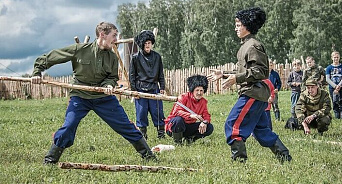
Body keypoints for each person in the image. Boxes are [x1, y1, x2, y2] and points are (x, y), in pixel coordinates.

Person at [31, 22, 156, 164]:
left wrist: (108, 85)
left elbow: (112, 77)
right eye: (114, 35)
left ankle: (149, 156)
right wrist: (37, 72)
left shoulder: (112, 57)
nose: (116, 39)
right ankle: (50, 160)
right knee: (69, 125)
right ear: (102, 34)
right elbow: (51, 57)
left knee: (125, 125)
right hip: (80, 95)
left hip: (103, 98)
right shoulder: (80, 50)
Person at [207, 7, 291, 162]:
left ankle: (239, 161)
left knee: (233, 125)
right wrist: (224, 74)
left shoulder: (252, 45)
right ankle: (285, 157)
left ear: (247, 25)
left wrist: (236, 79)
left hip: (253, 93)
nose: (236, 28)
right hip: (256, 94)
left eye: (239, 25)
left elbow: (261, 71)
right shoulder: (246, 45)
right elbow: (244, 70)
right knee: (262, 131)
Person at [129, 30, 166, 140]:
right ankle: (143, 136)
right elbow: (132, 75)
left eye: (149, 43)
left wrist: (162, 87)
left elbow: (160, 73)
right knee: (141, 113)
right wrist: (134, 90)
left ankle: (161, 134)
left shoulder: (157, 57)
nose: (147, 45)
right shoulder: (135, 58)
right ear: (141, 44)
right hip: (140, 90)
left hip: (154, 88)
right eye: (145, 43)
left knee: (157, 112)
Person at [164, 75, 214, 145]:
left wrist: (205, 122)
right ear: (192, 90)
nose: (199, 93)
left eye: (201, 90)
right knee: (178, 120)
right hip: (173, 126)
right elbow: (177, 112)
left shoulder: (203, 101)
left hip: (188, 126)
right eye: (197, 90)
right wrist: (190, 115)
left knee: (209, 127)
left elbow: (206, 115)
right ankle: (178, 143)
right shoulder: (183, 97)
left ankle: (190, 139)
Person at [325, 51, 342, 119]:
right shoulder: (329, 68)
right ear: (332, 58)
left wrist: (339, 86)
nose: (336, 59)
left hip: (341, 87)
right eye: (334, 57)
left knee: (341, 101)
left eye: (337, 57)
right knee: (335, 102)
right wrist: (335, 86)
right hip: (332, 88)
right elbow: (327, 79)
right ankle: (337, 115)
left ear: (339, 57)